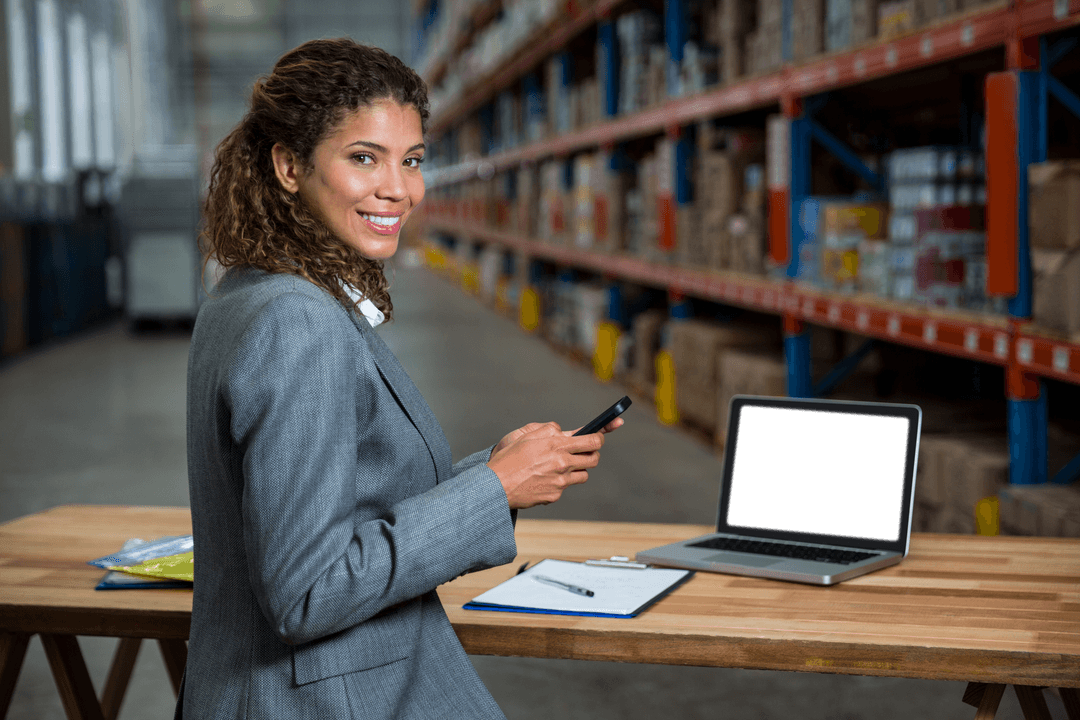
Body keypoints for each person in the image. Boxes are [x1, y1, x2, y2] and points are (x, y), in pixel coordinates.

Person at [178, 38, 622, 719]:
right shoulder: (297, 322)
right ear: (289, 166)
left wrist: (499, 473)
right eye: (364, 158)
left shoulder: (249, 291)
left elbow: (343, 498)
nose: (399, 189)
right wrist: (493, 489)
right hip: (319, 698)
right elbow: (308, 591)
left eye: (412, 161)